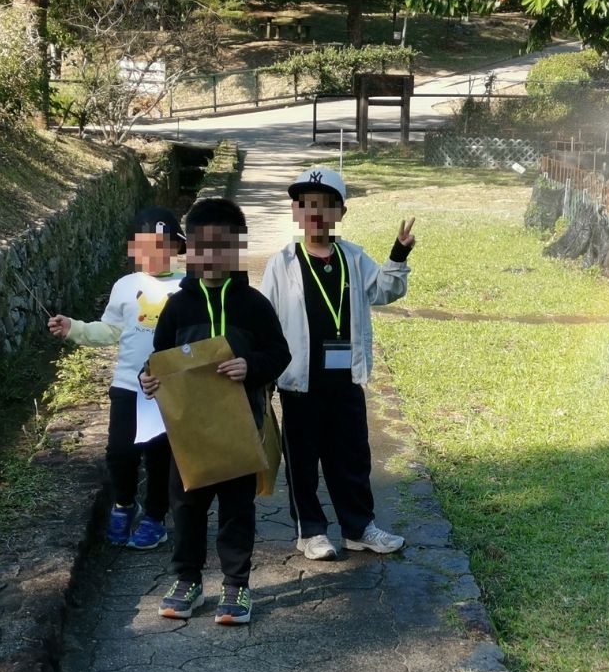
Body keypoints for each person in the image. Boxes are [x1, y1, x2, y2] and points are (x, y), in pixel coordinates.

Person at [140, 197, 290, 624]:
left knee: (237, 510)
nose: (212, 256)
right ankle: (186, 580)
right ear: (190, 249)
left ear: (237, 248)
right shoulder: (178, 307)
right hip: (188, 435)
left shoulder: (254, 305)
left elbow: (279, 353)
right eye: (203, 246)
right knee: (186, 509)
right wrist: (147, 379)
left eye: (223, 246)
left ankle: (236, 585)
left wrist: (251, 366)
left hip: (240, 428)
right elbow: (158, 359)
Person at [260, 166, 415, 562]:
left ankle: (358, 527)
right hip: (300, 383)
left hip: (346, 379)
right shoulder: (283, 263)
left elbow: (385, 290)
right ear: (296, 211)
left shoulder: (354, 257)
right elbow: (267, 319)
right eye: (307, 205)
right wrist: (265, 369)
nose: (315, 213)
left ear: (340, 213)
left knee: (352, 457)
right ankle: (310, 531)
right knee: (302, 461)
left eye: (326, 206)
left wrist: (398, 254)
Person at [48, 207, 184, 550]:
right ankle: (124, 504)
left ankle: (155, 517)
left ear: (176, 247)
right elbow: (109, 330)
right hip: (127, 386)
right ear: (133, 248)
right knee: (120, 452)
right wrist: (74, 328)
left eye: (162, 245)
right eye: (145, 245)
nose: (154, 254)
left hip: (169, 388)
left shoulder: (187, 285)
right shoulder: (125, 286)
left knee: (161, 457)